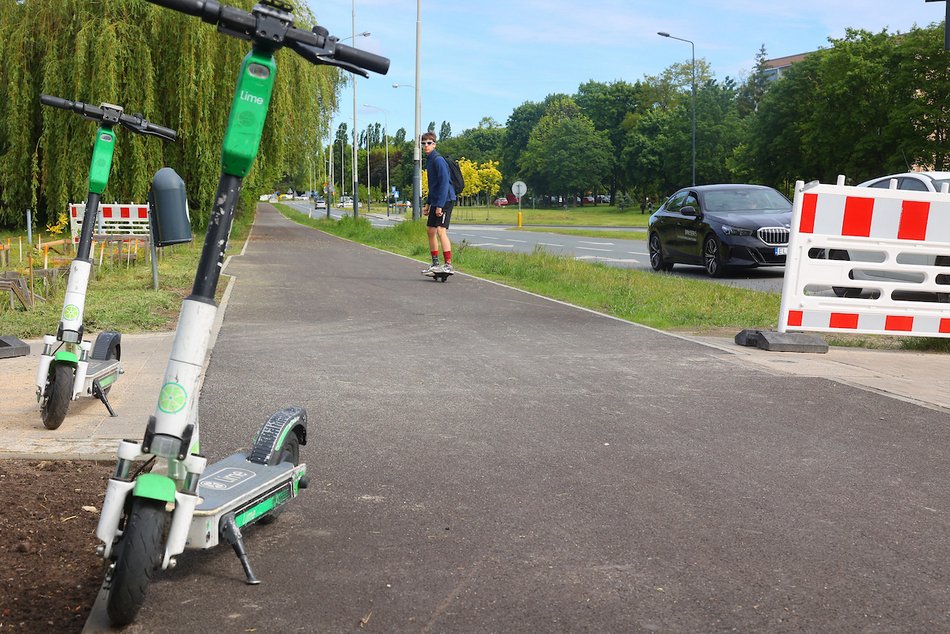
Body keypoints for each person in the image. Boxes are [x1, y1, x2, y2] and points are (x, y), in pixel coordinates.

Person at [421, 131, 457, 275]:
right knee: (430, 230)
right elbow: (433, 185)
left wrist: (440, 205)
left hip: (446, 199)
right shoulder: (429, 160)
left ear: (434, 144)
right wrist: (428, 203)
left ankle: (448, 265)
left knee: (441, 230)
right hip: (436, 199)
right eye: (423, 144)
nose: (426, 146)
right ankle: (435, 263)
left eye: (429, 143)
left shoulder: (438, 160)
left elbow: (443, 184)